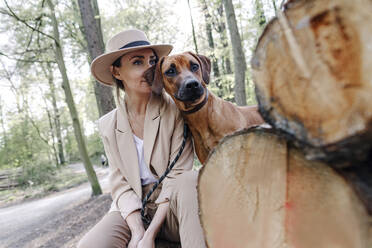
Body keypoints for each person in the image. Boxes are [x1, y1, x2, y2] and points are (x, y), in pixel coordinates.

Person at [78, 29, 206, 248]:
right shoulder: (108, 125)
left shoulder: (175, 109)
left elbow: (177, 177)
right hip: (133, 207)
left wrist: (150, 235)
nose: (149, 69)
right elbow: (119, 184)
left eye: (152, 61)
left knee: (188, 180)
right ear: (116, 72)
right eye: (138, 62)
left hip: (172, 203)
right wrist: (138, 231)